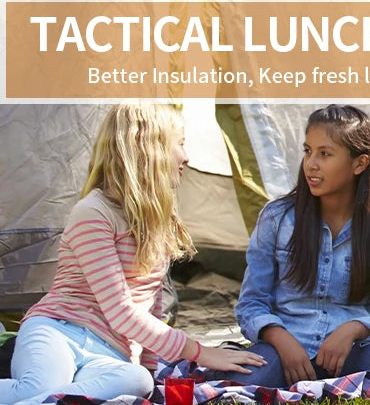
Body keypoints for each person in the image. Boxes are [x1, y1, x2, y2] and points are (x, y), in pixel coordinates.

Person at [1, 103, 263, 405]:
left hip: (110, 351)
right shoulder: (93, 213)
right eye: (179, 144)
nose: (186, 157)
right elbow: (121, 310)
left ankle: (48, 401)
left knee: (136, 382)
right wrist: (201, 352)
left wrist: (150, 370)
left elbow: (151, 302)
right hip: (59, 331)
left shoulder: (155, 218)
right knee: (37, 387)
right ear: (148, 149)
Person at [218, 105, 370, 388]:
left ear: (359, 164)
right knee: (238, 385)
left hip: (355, 350)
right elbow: (251, 303)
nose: (311, 164)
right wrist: (280, 338)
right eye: (307, 151)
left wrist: (353, 330)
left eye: (325, 154)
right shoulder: (276, 218)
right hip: (285, 348)